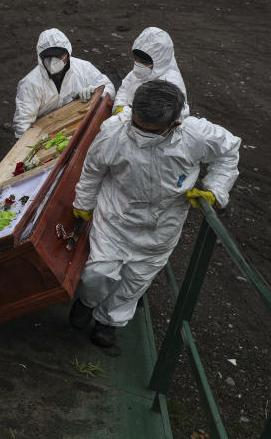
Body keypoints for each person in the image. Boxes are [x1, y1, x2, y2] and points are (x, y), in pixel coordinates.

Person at [69, 80, 240, 348]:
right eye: (137, 125)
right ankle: (87, 301)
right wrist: (84, 202)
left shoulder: (195, 136)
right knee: (97, 272)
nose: (141, 134)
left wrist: (215, 189)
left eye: (152, 131)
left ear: (174, 125)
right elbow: (93, 170)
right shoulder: (115, 132)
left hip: (162, 227)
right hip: (116, 218)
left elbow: (228, 152)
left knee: (134, 282)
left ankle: (108, 322)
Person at [12, 28, 115, 138]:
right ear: (40, 56)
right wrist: (32, 140)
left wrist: (96, 93)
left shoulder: (83, 69)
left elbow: (108, 88)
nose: (53, 61)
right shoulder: (30, 84)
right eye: (48, 57)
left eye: (59, 56)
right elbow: (22, 123)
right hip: (45, 132)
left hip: (78, 123)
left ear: (68, 53)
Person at [113, 26, 188, 117]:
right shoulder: (143, 70)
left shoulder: (170, 85)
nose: (138, 65)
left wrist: (128, 116)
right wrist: (120, 108)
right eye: (136, 59)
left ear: (160, 61)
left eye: (144, 62)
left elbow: (172, 117)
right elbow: (125, 88)